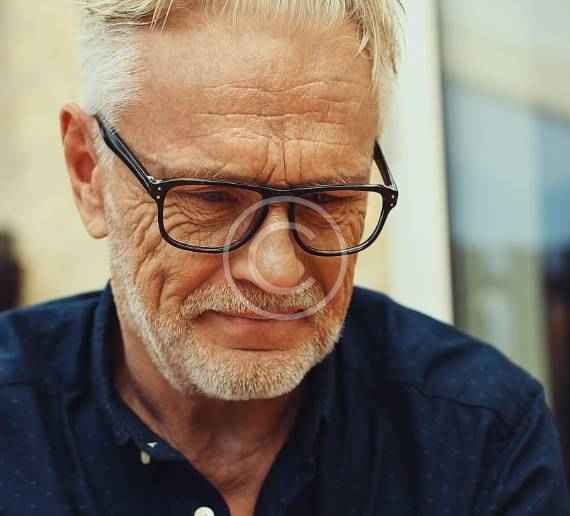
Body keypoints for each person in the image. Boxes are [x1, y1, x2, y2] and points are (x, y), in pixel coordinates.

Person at [0, 1, 568, 514]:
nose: (278, 270)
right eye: (212, 198)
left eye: (329, 200)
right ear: (89, 173)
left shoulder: (481, 437)